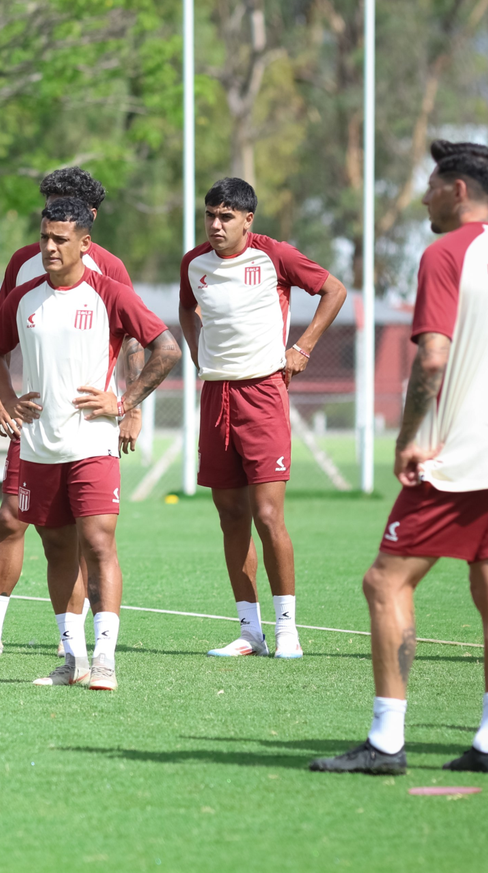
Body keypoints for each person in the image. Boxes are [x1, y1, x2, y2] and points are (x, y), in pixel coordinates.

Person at [311, 141, 488, 775]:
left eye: (432, 186)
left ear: (458, 191)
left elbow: (431, 360)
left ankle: (387, 740)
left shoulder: (446, 254)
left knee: (385, 581)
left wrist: (408, 438)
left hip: (456, 455)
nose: (423, 198)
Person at [0, 168, 144, 665]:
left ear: (87, 218)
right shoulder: (22, 262)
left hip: (86, 423)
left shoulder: (110, 269)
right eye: (47, 207)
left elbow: (135, 339)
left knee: (87, 532)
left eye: (62, 205)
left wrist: (129, 406)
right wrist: (0, 394)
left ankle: (77, 640)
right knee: (12, 517)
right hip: (33, 417)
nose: (51, 218)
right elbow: (1, 334)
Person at [0, 198, 180, 690]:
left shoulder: (110, 293)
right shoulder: (23, 298)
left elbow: (167, 348)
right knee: (56, 548)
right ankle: (73, 659)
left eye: (60, 239)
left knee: (97, 544)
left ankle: (105, 659)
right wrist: (8, 397)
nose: (49, 247)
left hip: (92, 443)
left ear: (85, 243)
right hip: (38, 447)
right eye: (45, 237)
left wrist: (125, 402)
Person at [178, 177, 346, 659]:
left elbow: (334, 290)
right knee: (231, 515)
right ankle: (250, 632)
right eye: (210, 215)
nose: (215, 224)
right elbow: (187, 310)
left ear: (248, 220)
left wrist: (303, 347)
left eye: (226, 216)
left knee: (268, 516)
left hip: (263, 393)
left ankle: (287, 630)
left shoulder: (275, 255)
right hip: (216, 395)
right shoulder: (193, 263)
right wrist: (199, 354)